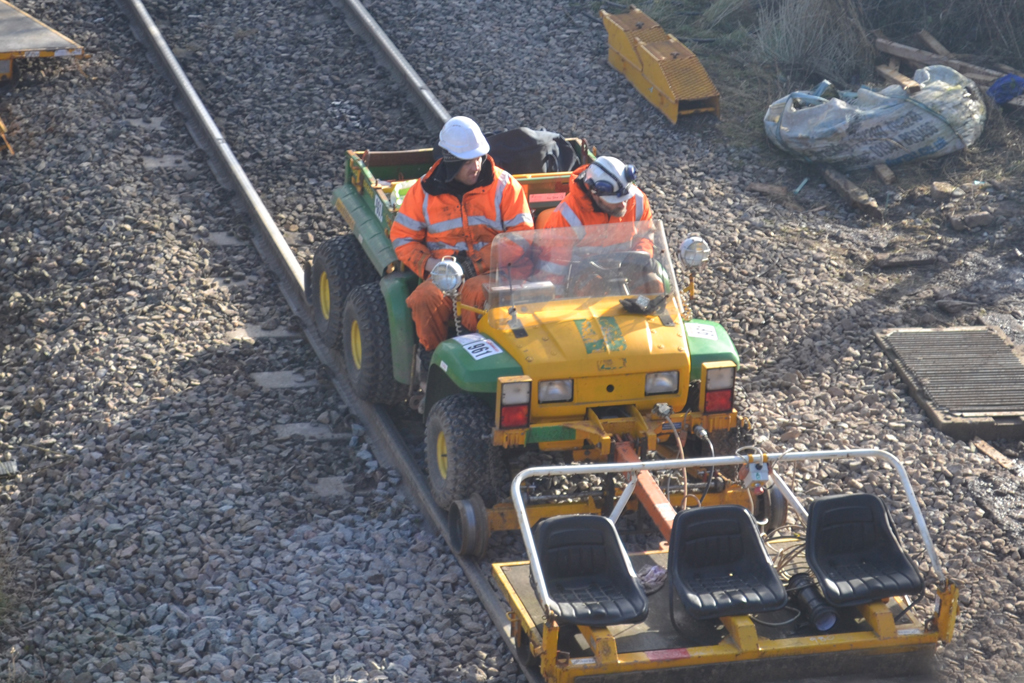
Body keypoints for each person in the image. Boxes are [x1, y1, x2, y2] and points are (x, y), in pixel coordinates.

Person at [390, 116, 534, 357]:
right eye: (467, 161)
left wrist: (474, 265)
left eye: (478, 157)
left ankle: (477, 355)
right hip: (445, 276)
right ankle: (434, 359)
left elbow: (521, 235)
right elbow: (404, 238)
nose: (476, 166)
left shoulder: (505, 185)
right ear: (450, 162)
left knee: (477, 292)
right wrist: (431, 266)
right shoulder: (423, 192)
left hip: (498, 272)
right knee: (423, 299)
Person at [532, 155, 659, 295]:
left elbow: (646, 234)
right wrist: (557, 303)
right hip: (582, 280)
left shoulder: (638, 200)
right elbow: (554, 267)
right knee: (592, 291)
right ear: (595, 193)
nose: (623, 205)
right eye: (614, 200)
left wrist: (637, 262)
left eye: (625, 198)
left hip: (625, 271)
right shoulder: (567, 215)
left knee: (654, 284)